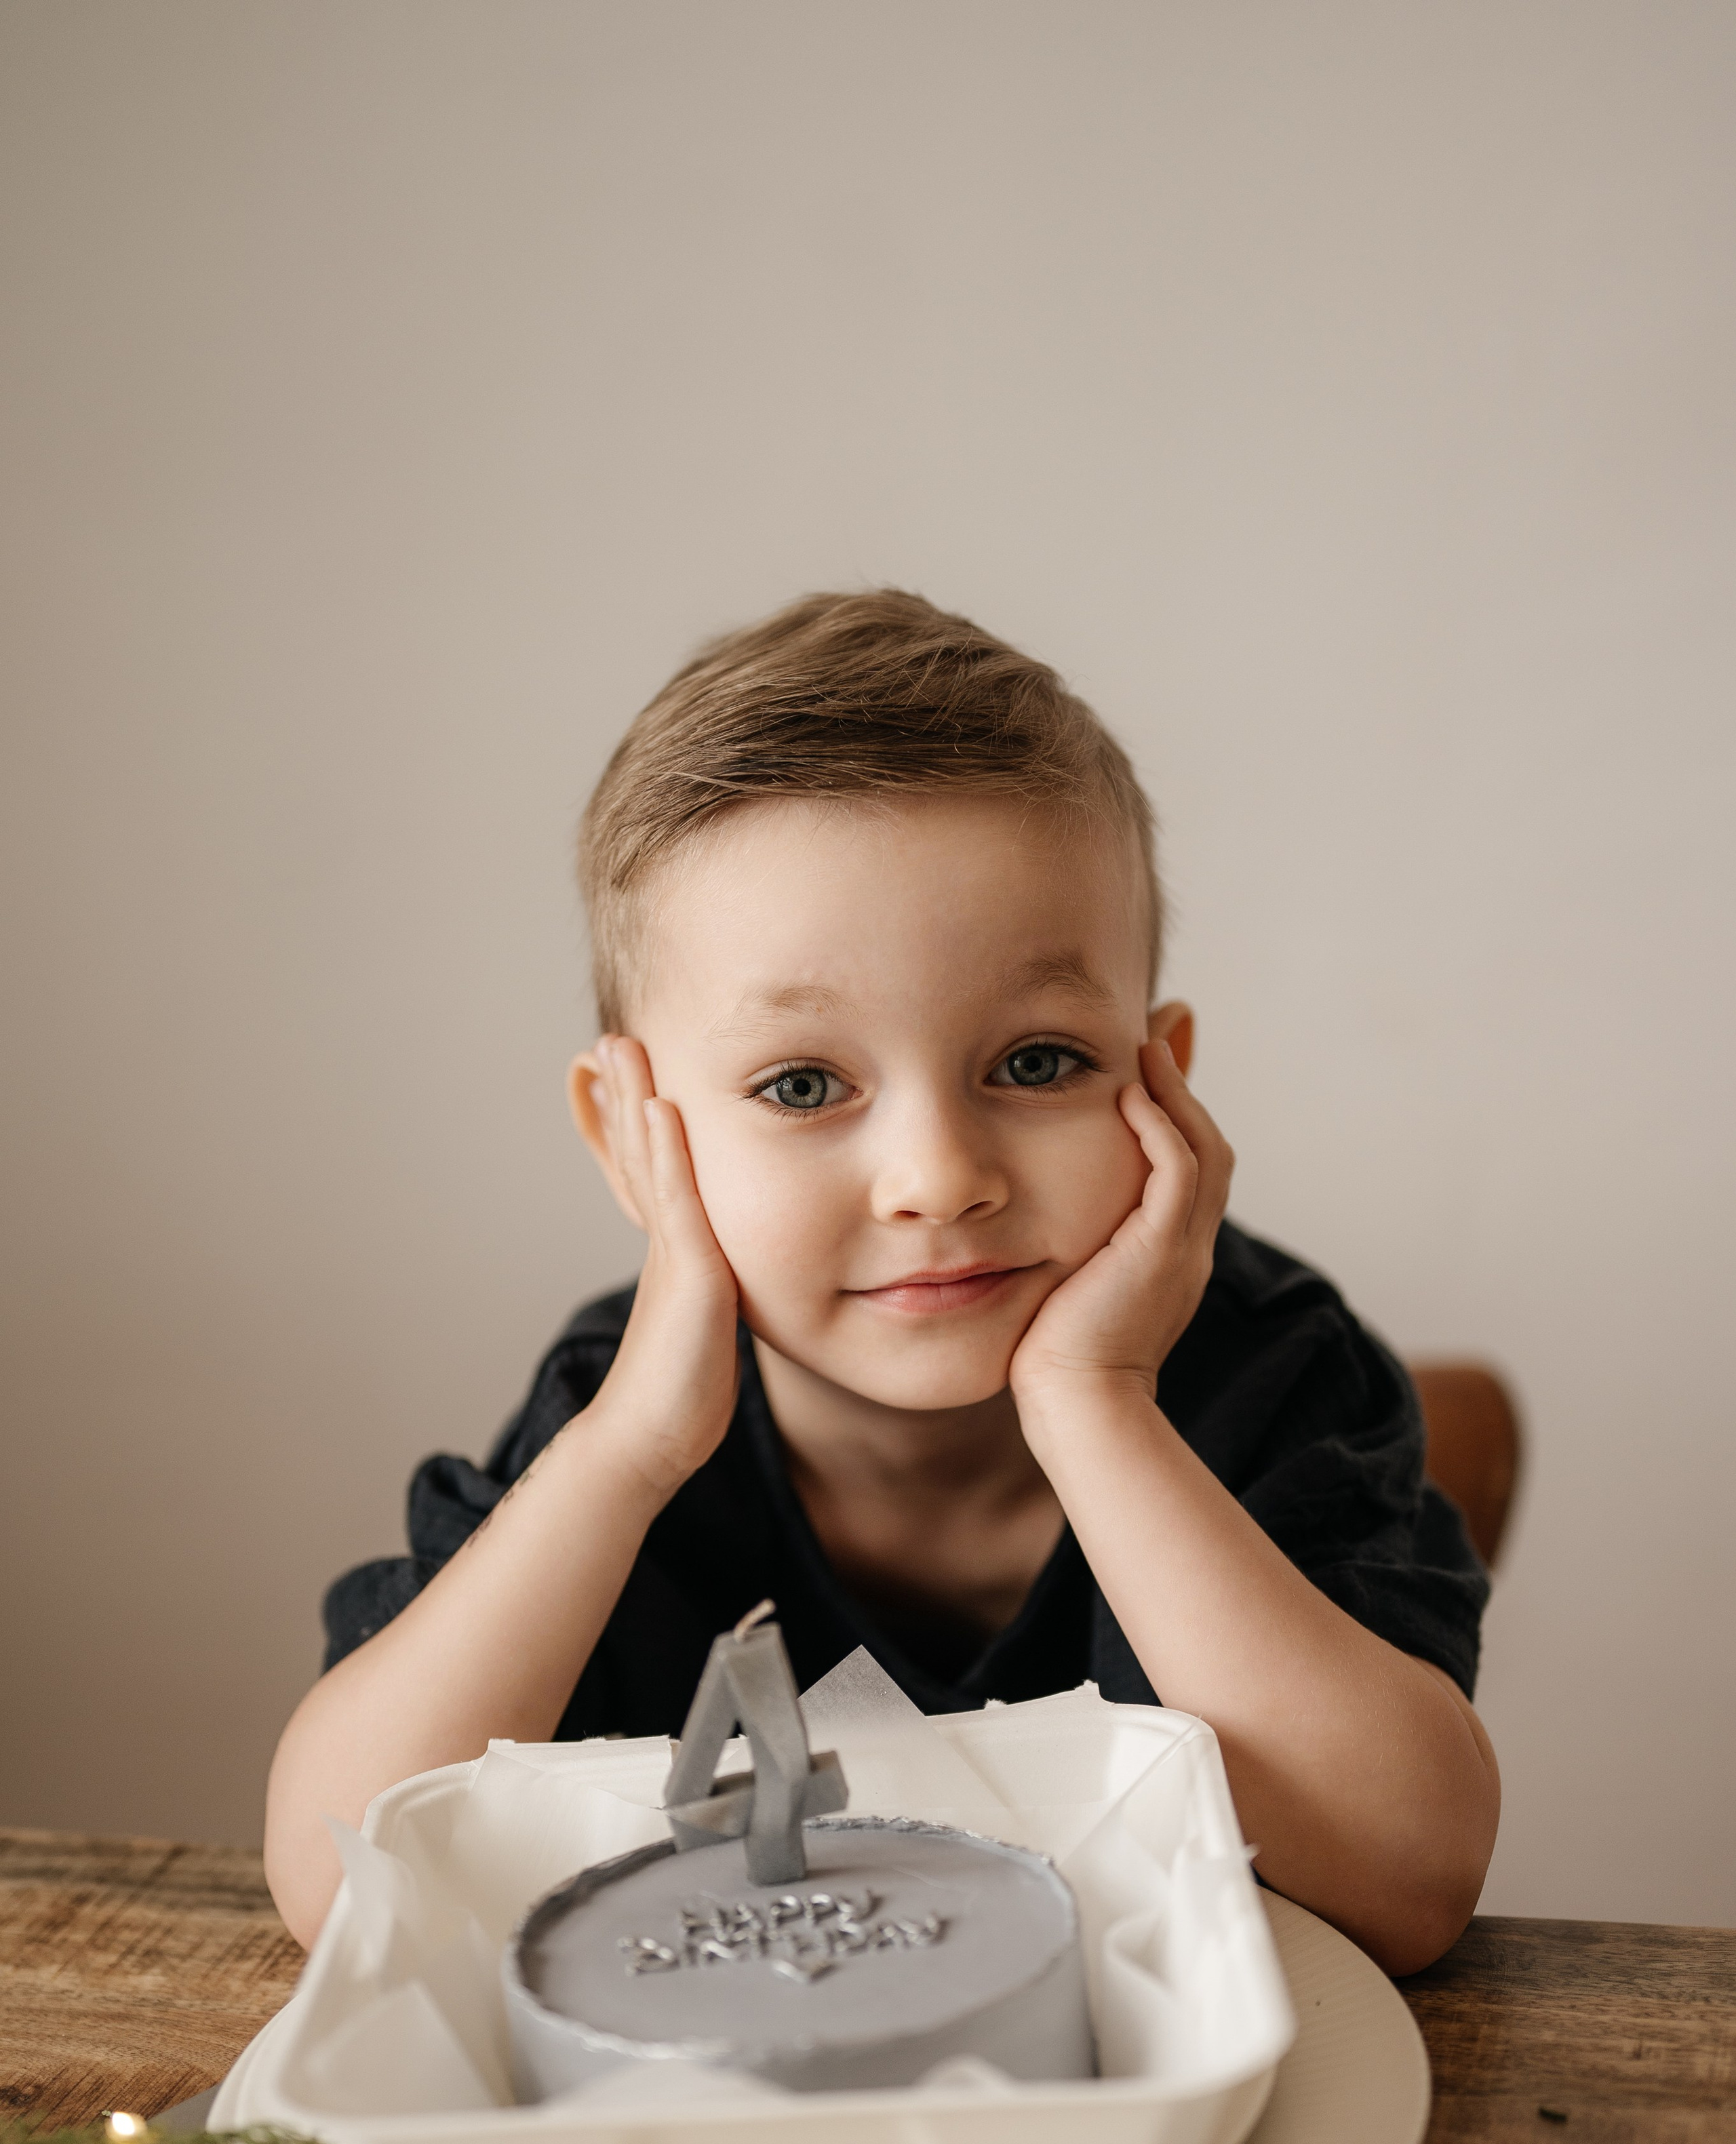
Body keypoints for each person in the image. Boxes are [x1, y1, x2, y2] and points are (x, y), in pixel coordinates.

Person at [264, 590, 1499, 1970]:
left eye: (1036, 1062)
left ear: (1159, 1080)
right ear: (630, 1137)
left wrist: (1094, 1404)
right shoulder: (611, 1420)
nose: (937, 1177)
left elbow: (1407, 1884)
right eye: (802, 1084)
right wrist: (624, 1455)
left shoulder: (1275, 1373)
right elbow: (337, 1885)